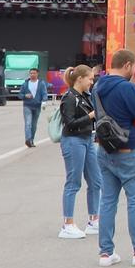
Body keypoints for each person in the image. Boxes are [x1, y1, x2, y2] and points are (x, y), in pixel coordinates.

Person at [91, 49, 135, 266]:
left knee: (107, 201)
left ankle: (106, 253)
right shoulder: (127, 87)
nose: (134, 71)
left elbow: (113, 110)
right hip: (129, 152)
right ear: (127, 65)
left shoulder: (98, 86)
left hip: (104, 151)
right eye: (134, 66)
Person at [57, 63, 103, 240]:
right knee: (73, 182)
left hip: (88, 139)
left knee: (95, 180)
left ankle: (94, 220)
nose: (91, 82)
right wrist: (90, 116)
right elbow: (69, 122)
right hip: (73, 140)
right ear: (80, 78)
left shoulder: (85, 96)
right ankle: (67, 223)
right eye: (90, 79)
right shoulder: (69, 97)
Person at [19, 67, 50, 148]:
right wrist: (25, 95)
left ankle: (31, 140)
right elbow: (20, 95)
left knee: (34, 124)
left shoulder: (41, 83)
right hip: (27, 106)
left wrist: (44, 101)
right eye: (31, 73)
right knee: (28, 123)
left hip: (37, 106)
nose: (32, 74)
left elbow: (44, 94)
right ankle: (28, 139)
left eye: (34, 73)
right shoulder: (25, 84)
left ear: (37, 74)